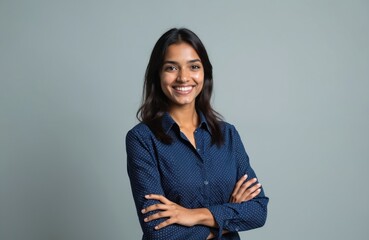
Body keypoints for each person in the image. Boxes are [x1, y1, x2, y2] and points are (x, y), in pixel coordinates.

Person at [126, 28, 269, 240]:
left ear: (205, 73)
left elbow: (258, 211)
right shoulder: (143, 139)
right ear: (158, 74)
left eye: (194, 66)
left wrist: (193, 216)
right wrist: (227, 217)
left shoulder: (228, 135)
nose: (184, 77)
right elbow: (160, 231)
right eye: (171, 67)